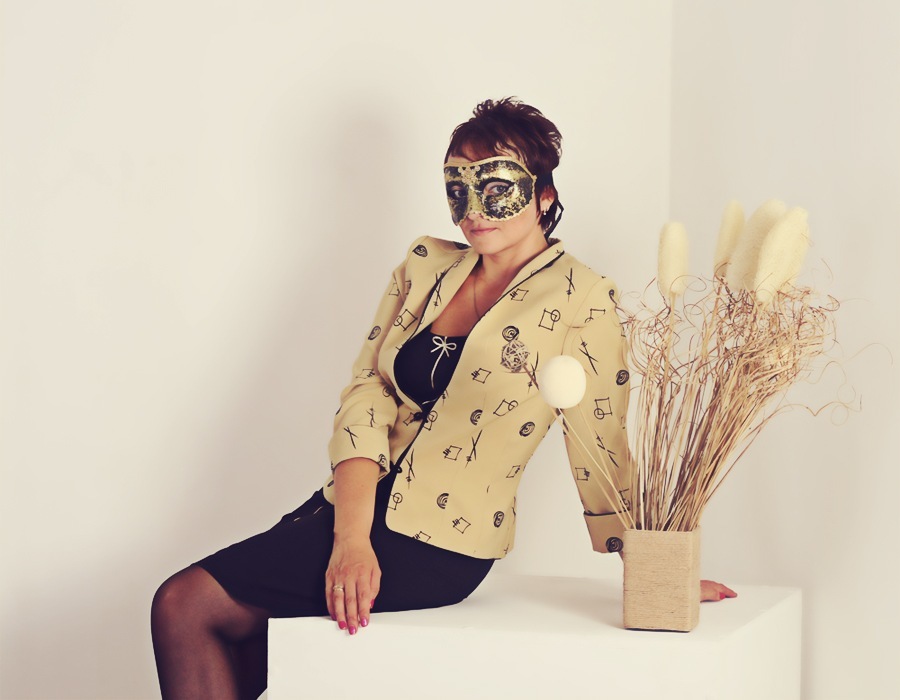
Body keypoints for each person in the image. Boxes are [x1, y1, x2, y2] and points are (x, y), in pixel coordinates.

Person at [151, 98, 735, 699]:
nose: (473, 210)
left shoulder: (582, 298)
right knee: (241, 639)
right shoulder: (425, 264)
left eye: (496, 188)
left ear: (544, 195)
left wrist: (654, 567)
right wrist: (351, 537)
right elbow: (368, 392)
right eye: (458, 188)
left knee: (184, 605)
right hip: (351, 505)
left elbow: (600, 442)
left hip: (439, 542)